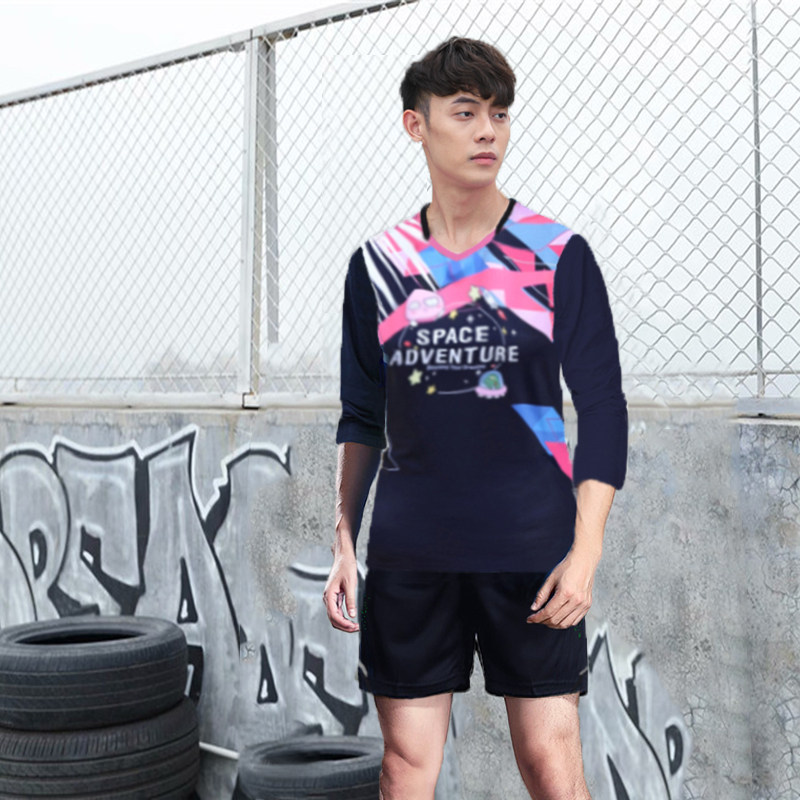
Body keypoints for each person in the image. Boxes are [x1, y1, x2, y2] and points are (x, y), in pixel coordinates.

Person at [324, 36, 627, 800]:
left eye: (499, 113)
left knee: (550, 760)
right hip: (412, 554)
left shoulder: (557, 253)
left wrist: (586, 551)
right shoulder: (377, 267)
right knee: (405, 768)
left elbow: (602, 407)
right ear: (416, 124)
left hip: (532, 551)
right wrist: (343, 543)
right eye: (465, 112)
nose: (488, 130)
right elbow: (361, 416)